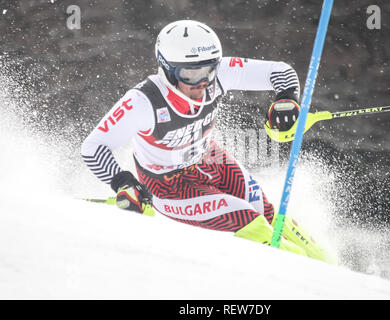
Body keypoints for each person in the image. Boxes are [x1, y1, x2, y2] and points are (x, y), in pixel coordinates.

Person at [81, 20, 334, 263]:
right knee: (251, 222)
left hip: (212, 160)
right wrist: (124, 182)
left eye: (209, 70)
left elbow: (280, 71)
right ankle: (308, 282)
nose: (202, 83)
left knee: (268, 212)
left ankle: (333, 268)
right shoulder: (143, 101)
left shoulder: (219, 74)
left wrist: (286, 99)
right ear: (167, 69)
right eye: (190, 74)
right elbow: (93, 148)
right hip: (169, 186)